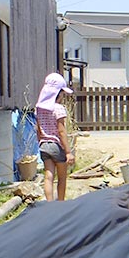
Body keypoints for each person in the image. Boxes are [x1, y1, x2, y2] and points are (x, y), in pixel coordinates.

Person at [35, 72, 75, 201]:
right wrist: (68, 152)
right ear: (58, 93)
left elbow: (37, 128)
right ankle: (61, 203)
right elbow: (61, 131)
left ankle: (50, 204)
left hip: (43, 145)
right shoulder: (58, 108)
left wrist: (40, 141)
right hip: (56, 145)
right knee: (62, 177)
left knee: (48, 176)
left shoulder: (39, 108)